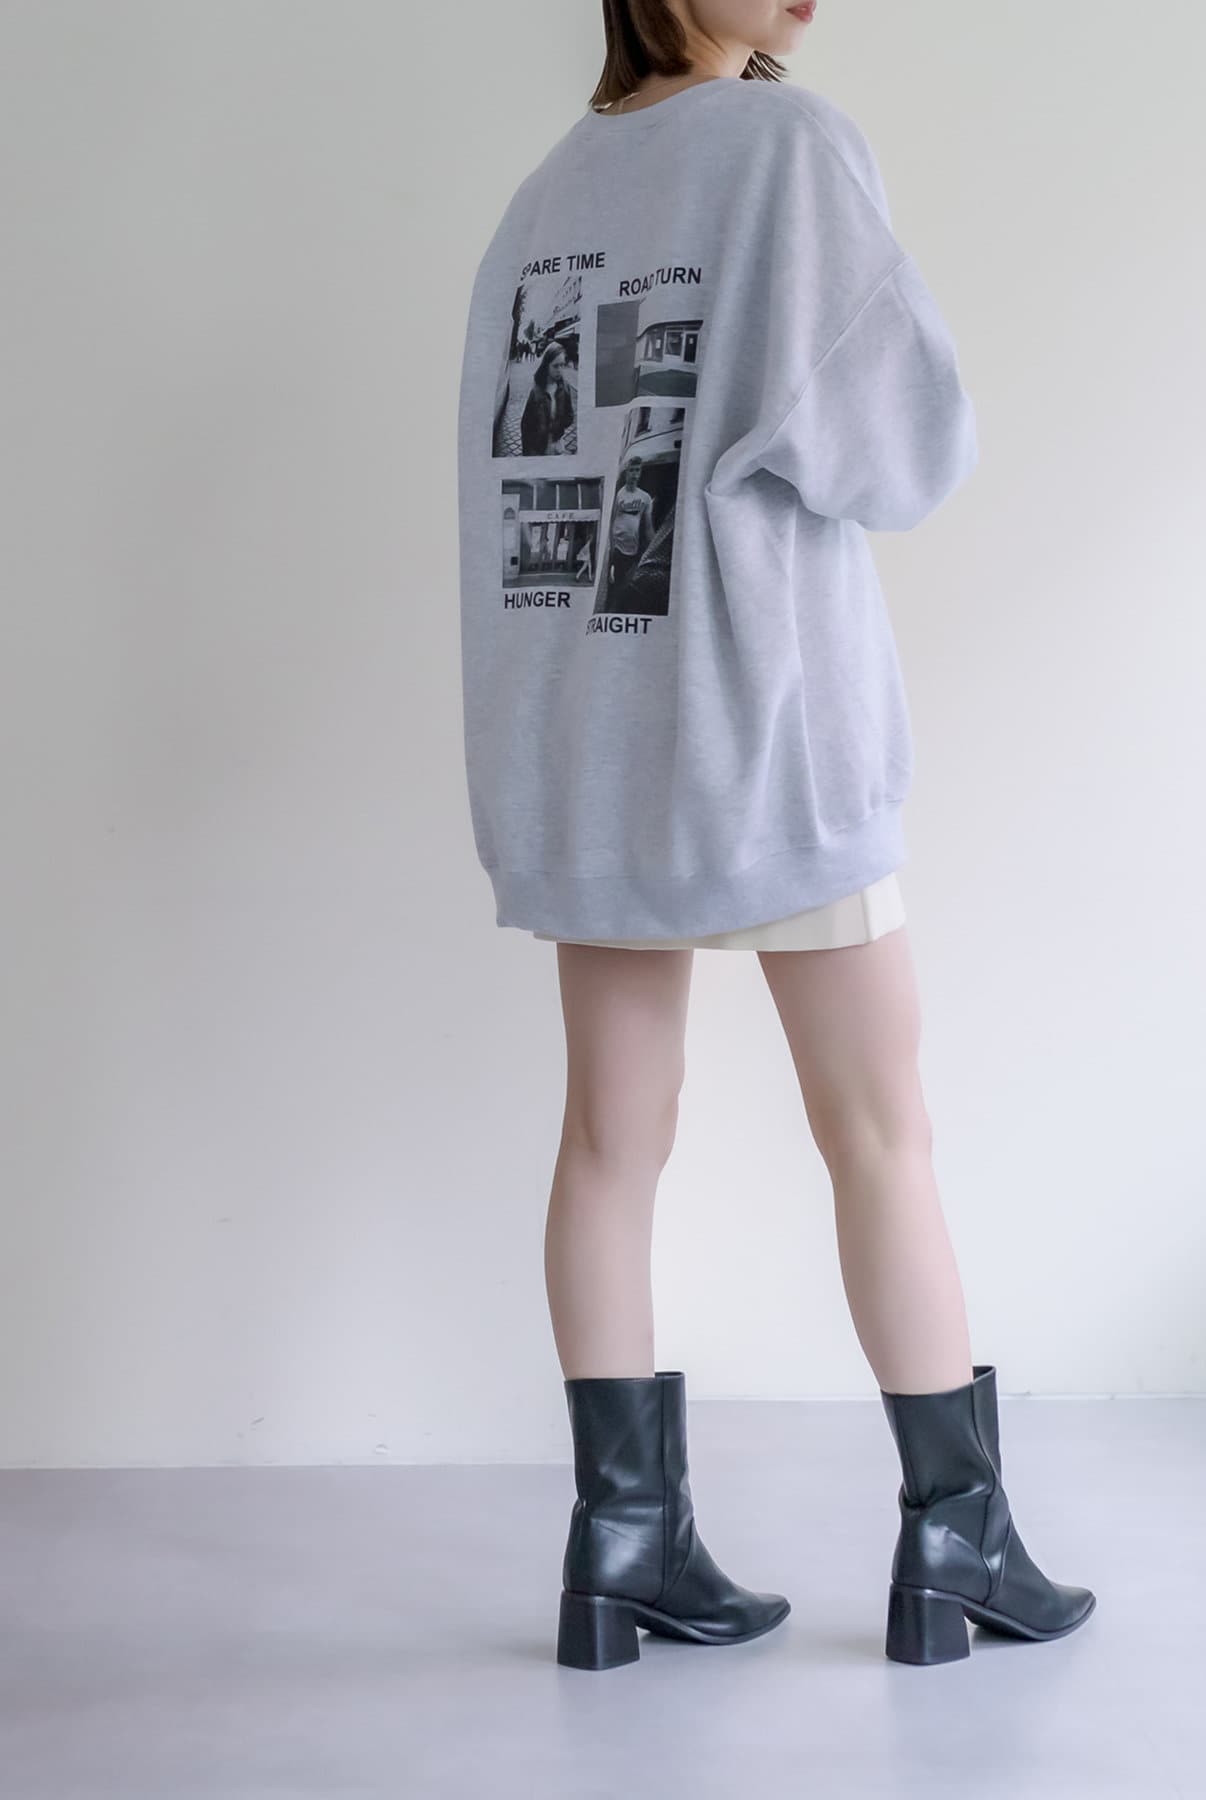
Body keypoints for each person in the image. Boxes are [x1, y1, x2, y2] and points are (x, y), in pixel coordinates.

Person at [456, 0, 1097, 1671]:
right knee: (881, 1129)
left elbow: (528, 491)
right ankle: (957, 1540)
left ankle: (622, 1543)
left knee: (609, 1140)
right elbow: (903, 450)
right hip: (764, 734)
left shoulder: (546, 196)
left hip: (592, 746)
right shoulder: (789, 148)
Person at [605, 455, 655, 598]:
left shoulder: (645, 497)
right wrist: (611, 548)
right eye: (631, 470)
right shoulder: (618, 495)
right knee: (614, 583)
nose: (634, 474)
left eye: (637, 470)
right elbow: (610, 521)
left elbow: (648, 526)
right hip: (617, 547)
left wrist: (652, 547)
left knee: (628, 584)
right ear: (626, 472)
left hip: (633, 547)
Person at [519, 340, 576, 455]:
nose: (560, 370)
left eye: (562, 365)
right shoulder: (536, 392)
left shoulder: (565, 388)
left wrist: (558, 425)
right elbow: (526, 426)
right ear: (546, 365)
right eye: (555, 366)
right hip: (538, 448)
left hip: (557, 444)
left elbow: (570, 416)